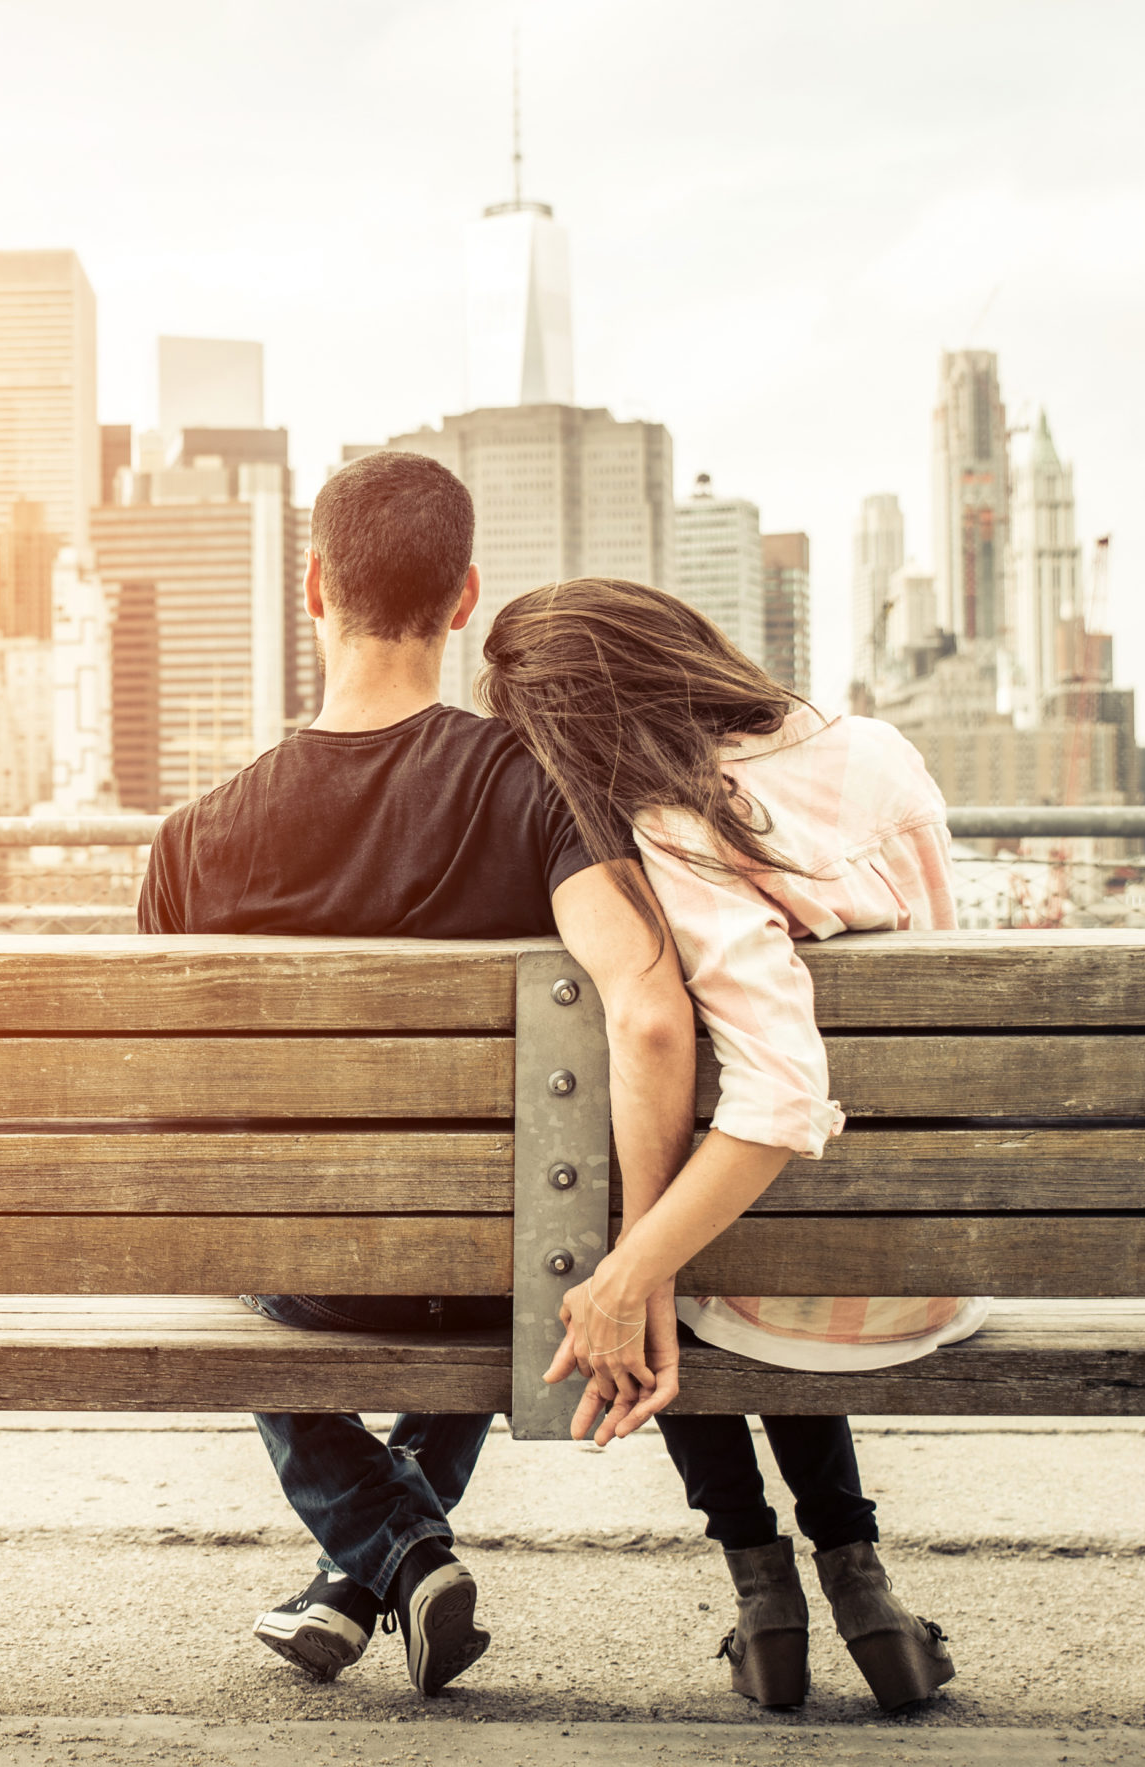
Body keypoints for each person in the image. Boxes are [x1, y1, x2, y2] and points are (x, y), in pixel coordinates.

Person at [136, 455, 698, 1695]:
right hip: (495, 1269)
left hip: (311, 1282)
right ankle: (385, 1559)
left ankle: (382, 1555)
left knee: (253, 1238)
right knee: (502, 1224)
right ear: (463, 601)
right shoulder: (537, 788)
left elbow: (176, 1129)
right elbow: (652, 1020)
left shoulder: (189, 842)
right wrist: (638, 1260)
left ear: (312, 589)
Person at [479, 575, 981, 1713]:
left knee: (661, 1284)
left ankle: (765, 1595)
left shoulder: (681, 821)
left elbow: (780, 1094)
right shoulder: (877, 750)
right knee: (719, 1258)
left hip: (799, 1284)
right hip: (930, 1260)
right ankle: (860, 1584)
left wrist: (628, 1268)